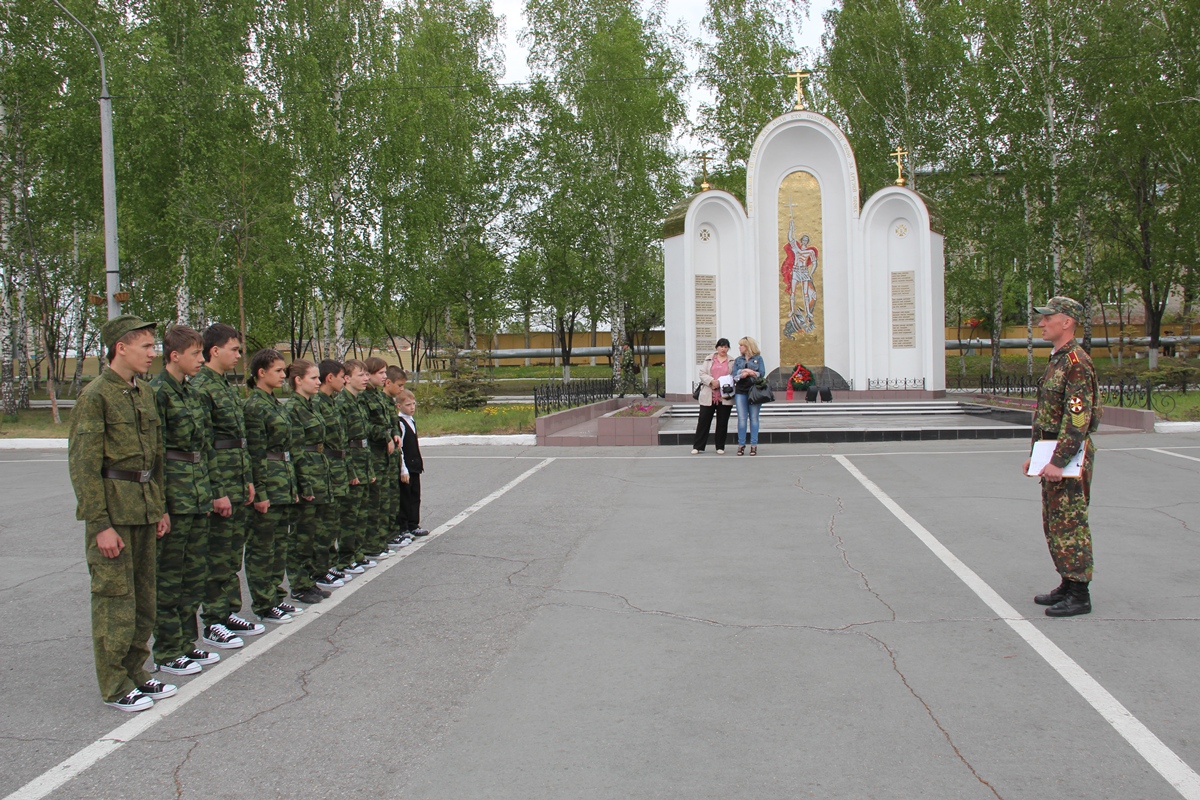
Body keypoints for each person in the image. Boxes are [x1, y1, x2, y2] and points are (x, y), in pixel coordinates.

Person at [68, 315, 176, 712]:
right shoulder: (96, 395)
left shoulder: (143, 393)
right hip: (114, 511)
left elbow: (156, 456)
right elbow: (84, 465)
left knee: (144, 598)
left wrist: (160, 506)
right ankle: (115, 684)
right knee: (114, 598)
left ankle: (136, 671)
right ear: (121, 348)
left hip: (145, 507)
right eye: (146, 347)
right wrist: (99, 525)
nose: (153, 354)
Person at [1022, 296, 1100, 617]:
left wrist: (1059, 460)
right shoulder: (1057, 359)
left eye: (1047, 318)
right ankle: (1068, 582)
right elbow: (1047, 415)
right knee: (1055, 522)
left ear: (1066, 322)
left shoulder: (1076, 363)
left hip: (1069, 454)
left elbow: (1077, 420)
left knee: (1071, 524)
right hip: (1053, 452)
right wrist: (1036, 457)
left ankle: (1080, 593)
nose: (1041, 323)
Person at [192, 324, 264, 651]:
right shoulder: (201, 386)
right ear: (214, 350)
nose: (239, 355)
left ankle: (229, 611)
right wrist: (216, 489)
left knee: (232, 552)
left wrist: (247, 479)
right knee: (217, 555)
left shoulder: (224, 384)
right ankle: (213, 620)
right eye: (234, 349)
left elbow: (239, 440)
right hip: (219, 480)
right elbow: (206, 443)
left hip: (236, 478)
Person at [149, 325, 215, 677]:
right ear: (174, 355)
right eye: (195, 354)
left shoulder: (191, 392)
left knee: (193, 573)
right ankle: (167, 649)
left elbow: (202, 446)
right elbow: (155, 452)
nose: (201, 360)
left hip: (197, 491)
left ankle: (187, 643)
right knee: (169, 577)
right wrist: (160, 505)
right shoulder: (158, 392)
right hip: (174, 493)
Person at [243, 349, 301, 624]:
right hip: (269, 481)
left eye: (283, 370)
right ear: (260, 373)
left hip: (283, 480)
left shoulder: (274, 402)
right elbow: (255, 452)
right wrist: (260, 492)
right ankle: (264, 602)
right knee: (262, 547)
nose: (283, 375)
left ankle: (275, 595)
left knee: (279, 544)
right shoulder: (255, 406)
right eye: (278, 371)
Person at [286, 359, 339, 605]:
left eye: (319, 378)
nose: (319, 382)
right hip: (306, 471)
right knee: (302, 533)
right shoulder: (293, 409)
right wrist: (303, 483)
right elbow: (295, 449)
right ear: (298, 380)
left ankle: (309, 579)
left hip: (319, 469)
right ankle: (299, 583)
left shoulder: (311, 406)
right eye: (313, 378)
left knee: (315, 530)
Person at [336, 359, 377, 573]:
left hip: (363, 459)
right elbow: (343, 441)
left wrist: (368, 469)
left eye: (366, 374)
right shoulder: (341, 403)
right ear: (347, 378)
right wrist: (350, 470)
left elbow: (364, 438)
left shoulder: (358, 401)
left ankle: (357, 553)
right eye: (360, 375)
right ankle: (345, 557)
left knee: (361, 513)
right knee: (349, 515)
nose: (366, 378)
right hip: (352, 461)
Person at [361, 357, 400, 560]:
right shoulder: (363, 398)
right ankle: (372, 543)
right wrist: (385, 436)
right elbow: (366, 425)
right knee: (374, 502)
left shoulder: (377, 397)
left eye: (385, 373)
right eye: (381, 373)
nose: (385, 377)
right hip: (374, 454)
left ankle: (381, 539)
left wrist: (393, 432)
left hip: (385, 454)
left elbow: (389, 420)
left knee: (384, 500)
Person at [382, 365, 412, 549]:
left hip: (391, 458)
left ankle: (392, 533)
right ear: (388, 382)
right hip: (378, 459)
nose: (402, 389)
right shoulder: (379, 401)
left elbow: (391, 426)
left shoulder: (386, 403)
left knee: (391, 500)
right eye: (399, 385)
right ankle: (382, 538)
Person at [692, 338, 733, 454]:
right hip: (708, 393)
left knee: (722, 422)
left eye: (725, 347)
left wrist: (721, 383)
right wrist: (711, 381)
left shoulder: (732, 361)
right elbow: (702, 373)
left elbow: (733, 376)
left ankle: (720, 446)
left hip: (724, 395)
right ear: (717, 347)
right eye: (721, 346)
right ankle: (698, 446)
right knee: (703, 421)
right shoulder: (709, 359)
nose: (723, 349)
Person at [397, 388, 428, 539]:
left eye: (414, 404)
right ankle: (403, 526)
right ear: (399, 406)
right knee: (405, 497)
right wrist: (403, 469)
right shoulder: (400, 423)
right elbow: (400, 448)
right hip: (407, 467)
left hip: (415, 465)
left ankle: (413, 524)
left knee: (415, 495)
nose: (412, 407)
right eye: (408, 404)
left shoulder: (411, 420)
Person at [731, 336, 767, 456]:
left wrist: (752, 372)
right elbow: (734, 375)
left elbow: (762, 373)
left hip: (754, 390)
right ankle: (741, 445)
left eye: (741, 345)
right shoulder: (738, 360)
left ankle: (754, 445)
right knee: (742, 418)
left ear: (747, 346)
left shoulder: (758, 359)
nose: (739, 347)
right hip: (741, 390)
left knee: (754, 418)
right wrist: (742, 373)